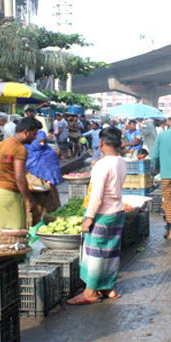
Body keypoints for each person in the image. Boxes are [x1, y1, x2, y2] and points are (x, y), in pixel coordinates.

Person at [67, 127, 127, 305]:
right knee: (111, 252)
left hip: (102, 213)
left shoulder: (102, 164)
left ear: (101, 143)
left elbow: (96, 195)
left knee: (95, 254)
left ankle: (91, 291)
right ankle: (109, 287)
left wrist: (89, 218)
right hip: (117, 211)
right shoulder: (120, 162)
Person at [0, 117, 42, 229]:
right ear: (26, 132)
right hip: (9, 196)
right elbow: (19, 177)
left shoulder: (2, 144)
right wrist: (29, 199)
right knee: (16, 235)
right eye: (34, 134)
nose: (35, 138)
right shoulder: (19, 148)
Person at [25, 130, 63, 224]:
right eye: (39, 141)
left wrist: (50, 182)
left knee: (48, 213)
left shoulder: (50, 153)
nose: (42, 144)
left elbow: (54, 170)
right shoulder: (26, 152)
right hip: (31, 186)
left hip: (47, 187)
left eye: (44, 141)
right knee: (33, 211)